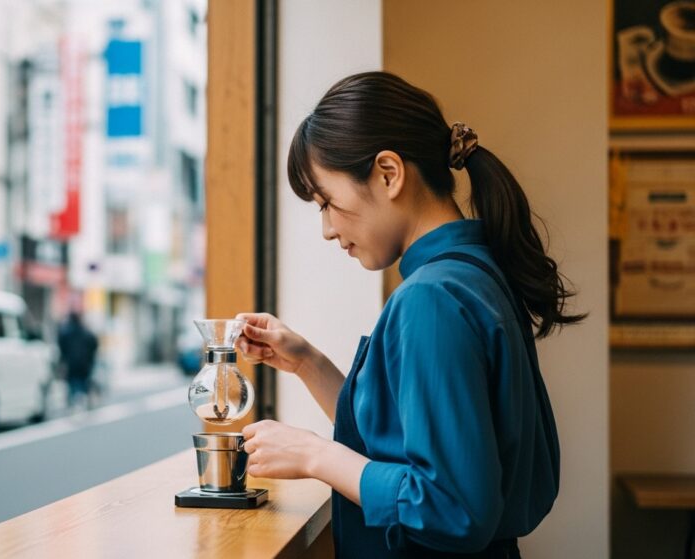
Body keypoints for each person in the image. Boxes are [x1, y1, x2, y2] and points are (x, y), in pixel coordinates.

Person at [235, 72, 584, 558]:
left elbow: (452, 507)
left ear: (388, 173)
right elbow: (404, 441)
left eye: (327, 203)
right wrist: (306, 362)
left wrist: (315, 455)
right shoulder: (473, 275)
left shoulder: (431, 299)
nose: (328, 230)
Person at [57, 311, 98, 409]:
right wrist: (91, 357)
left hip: (71, 364)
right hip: (85, 364)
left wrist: (63, 359)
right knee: (84, 382)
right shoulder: (86, 332)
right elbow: (94, 344)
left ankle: (73, 401)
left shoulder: (66, 333)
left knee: (72, 383)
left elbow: (61, 346)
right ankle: (84, 399)